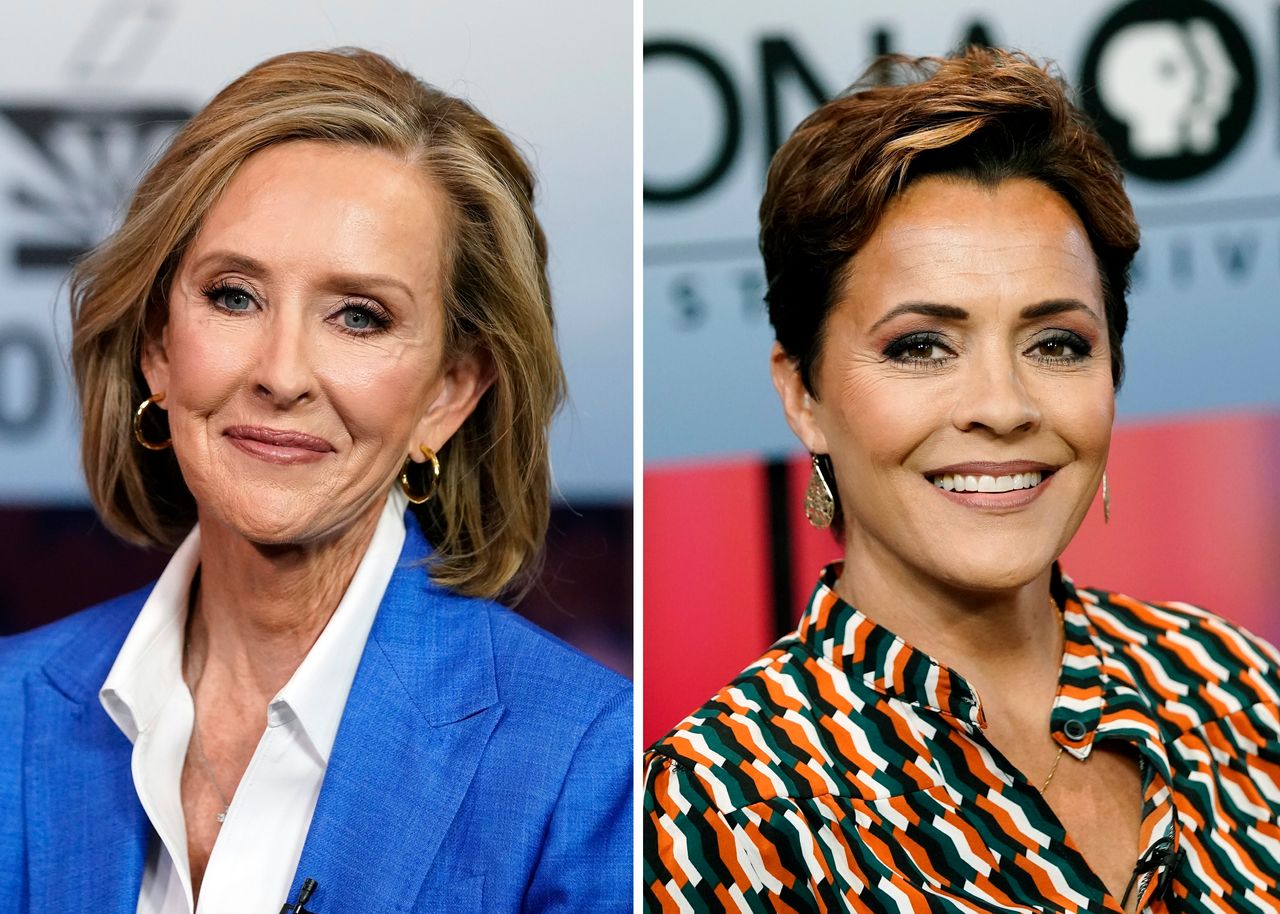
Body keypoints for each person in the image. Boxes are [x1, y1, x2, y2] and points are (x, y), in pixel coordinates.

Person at [644, 47, 1280, 912]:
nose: (1003, 407)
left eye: (1056, 343)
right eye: (921, 347)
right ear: (804, 396)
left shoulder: (1234, 683)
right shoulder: (718, 809)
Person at [0, 48, 630, 913]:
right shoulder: (12, 709)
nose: (282, 374)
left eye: (359, 317)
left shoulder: (585, 764)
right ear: (157, 348)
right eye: (234, 296)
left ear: (449, 393)